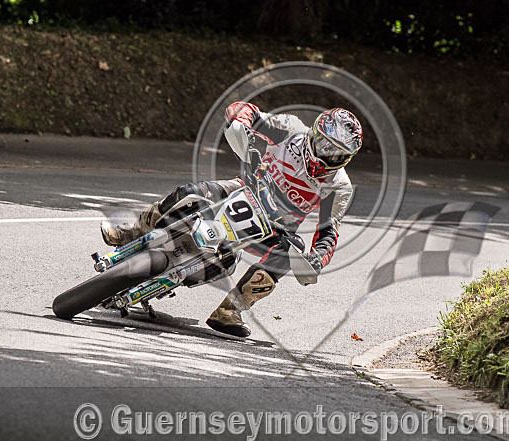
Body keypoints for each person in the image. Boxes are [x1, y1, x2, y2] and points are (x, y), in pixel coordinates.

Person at [100, 102, 363, 337]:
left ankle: (230, 310)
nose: (328, 156)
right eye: (325, 145)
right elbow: (246, 111)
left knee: (289, 253)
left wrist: (317, 258)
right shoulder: (291, 129)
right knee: (189, 192)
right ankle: (135, 230)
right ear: (314, 133)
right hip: (244, 189)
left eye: (337, 154)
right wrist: (241, 123)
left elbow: (328, 232)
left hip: (275, 228)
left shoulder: (340, 186)